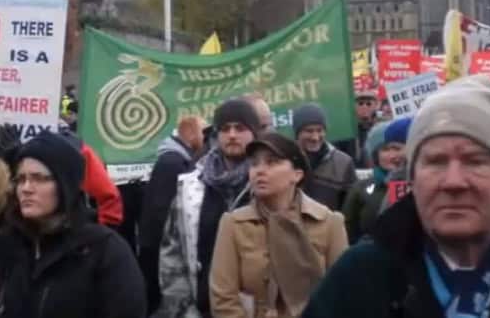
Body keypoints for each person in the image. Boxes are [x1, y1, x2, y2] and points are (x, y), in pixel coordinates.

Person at [302, 75, 490, 318]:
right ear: (413, 179)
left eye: (475, 161)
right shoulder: (359, 282)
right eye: (435, 162)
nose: (453, 181)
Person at [0, 132, 146, 318]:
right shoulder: (2, 246)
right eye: (21, 179)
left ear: (65, 185)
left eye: (39, 178)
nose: (26, 188)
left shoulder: (104, 250)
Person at [210, 132, 348, 318]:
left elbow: (342, 294)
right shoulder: (233, 224)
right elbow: (223, 299)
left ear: (297, 175)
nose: (259, 170)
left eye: (272, 162)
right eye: (254, 164)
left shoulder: (329, 222)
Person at [158, 99, 260, 317]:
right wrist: (182, 308)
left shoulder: (267, 182)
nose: (232, 135)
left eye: (240, 128)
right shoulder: (191, 185)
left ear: (254, 133)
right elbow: (172, 250)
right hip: (202, 307)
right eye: (225, 129)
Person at [139, 115, 206, 314]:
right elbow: (162, 210)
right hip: (158, 247)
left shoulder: (178, 159)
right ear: (191, 133)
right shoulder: (172, 162)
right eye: (202, 132)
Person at [293, 103, 356, 211]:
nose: (315, 137)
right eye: (309, 131)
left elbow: (351, 208)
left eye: (319, 130)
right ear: (297, 133)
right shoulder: (284, 160)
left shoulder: (343, 163)